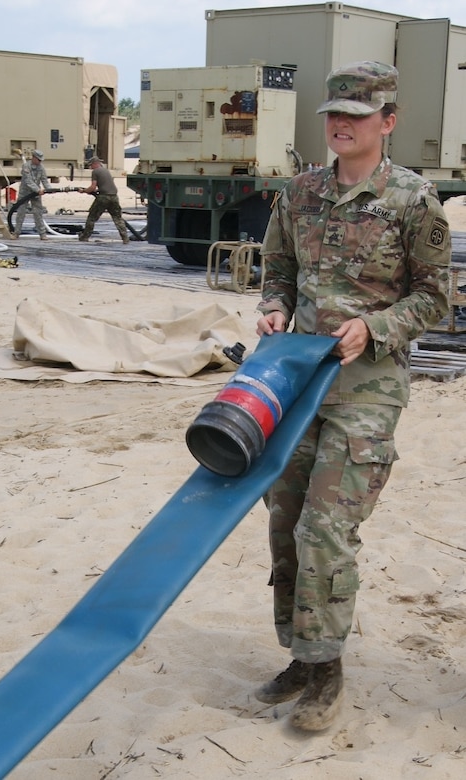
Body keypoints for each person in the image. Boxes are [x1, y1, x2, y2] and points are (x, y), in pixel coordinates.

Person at [255, 61, 450, 731]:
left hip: (366, 392)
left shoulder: (413, 201)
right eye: (333, 113)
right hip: (294, 384)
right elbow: (278, 269)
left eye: (356, 115)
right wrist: (274, 307)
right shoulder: (300, 193)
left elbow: (436, 300)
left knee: (325, 528)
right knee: (284, 524)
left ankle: (327, 671)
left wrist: (377, 327)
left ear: (387, 123)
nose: (339, 123)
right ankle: (301, 659)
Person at [78, 156, 129, 243]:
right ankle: (125, 238)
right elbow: (105, 185)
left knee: (92, 218)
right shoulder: (106, 170)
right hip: (114, 196)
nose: (90, 167)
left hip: (103, 197)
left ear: (94, 164)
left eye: (91, 165)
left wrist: (84, 191)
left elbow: (93, 187)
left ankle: (85, 237)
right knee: (117, 218)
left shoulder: (95, 172)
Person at [12, 150, 50, 240]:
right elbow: (28, 181)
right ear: (33, 158)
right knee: (21, 212)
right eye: (38, 160)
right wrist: (38, 190)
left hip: (36, 194)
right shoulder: (26, 166)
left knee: (38, 213)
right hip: (25, 193)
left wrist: (49, 189)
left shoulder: (41, 168)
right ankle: (16, 232)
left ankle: (42, 234)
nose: (40, 162)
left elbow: (44, 180)